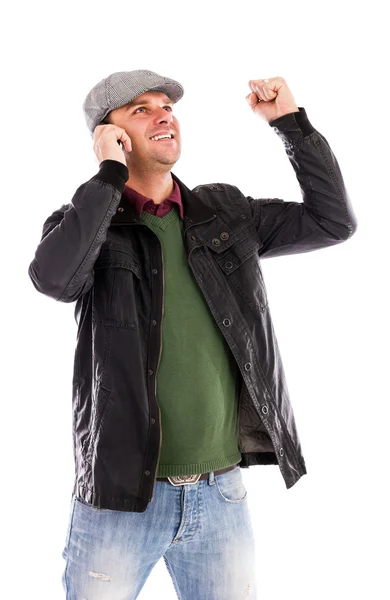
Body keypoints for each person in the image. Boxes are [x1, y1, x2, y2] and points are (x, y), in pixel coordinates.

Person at [28, 69, 357, 599]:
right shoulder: (84, 226)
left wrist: (291, 125)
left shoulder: (223, 212)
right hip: (117, 502)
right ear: (109, 136)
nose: (163, 115)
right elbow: (54, 279)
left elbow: (333, 221)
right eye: (141, 109)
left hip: (221, 495)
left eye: (166, 106)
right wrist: (107, 178)